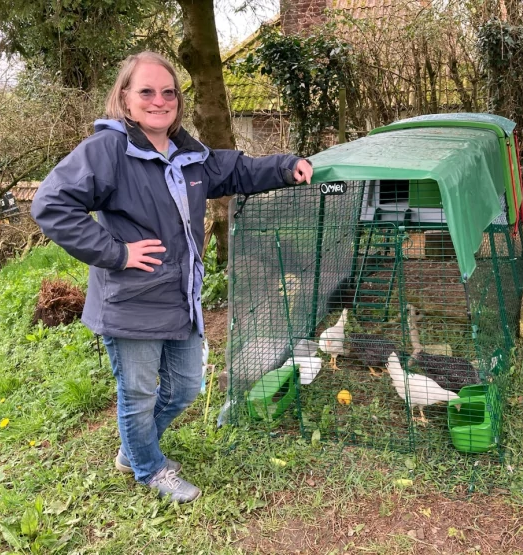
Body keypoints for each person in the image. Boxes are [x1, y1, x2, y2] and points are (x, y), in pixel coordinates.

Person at [31, 51, 313, 503]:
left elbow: (236, 169)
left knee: (183, 388)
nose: (159, 101)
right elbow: (51, 204)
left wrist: (285, 166)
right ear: (125, 98)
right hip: (131, 300)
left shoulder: (188, 154)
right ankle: (148, 467)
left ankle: (134, 449)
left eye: (168, 92)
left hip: (180, 295)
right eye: (146, 91)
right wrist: (117, 252)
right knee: (139, 393)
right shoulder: (109, 150)